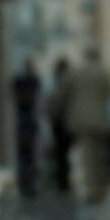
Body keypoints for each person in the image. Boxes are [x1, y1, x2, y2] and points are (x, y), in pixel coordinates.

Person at [58, 49, 110, 203]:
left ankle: (92, 190)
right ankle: (100, 189)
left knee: (89, 157)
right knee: (100, 157)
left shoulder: (75, 73)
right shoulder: (104, 73)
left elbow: (63, 95)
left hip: (82, 121)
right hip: (101, 120)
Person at [10, 58, 44, 196]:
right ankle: (28, 182)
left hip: (24, 124)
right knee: (28, 155)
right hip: (28, 124)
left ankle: (26, 182)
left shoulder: (22, 85)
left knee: (25, 156)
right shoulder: (33, 84)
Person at [45, 57, 75, 194]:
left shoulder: (55, 83)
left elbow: (51, 103)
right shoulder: (69, 83)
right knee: (64, 152)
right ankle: (64, 180)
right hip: (66, 121)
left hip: (59, 122)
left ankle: (62, 180)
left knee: (61, 152)